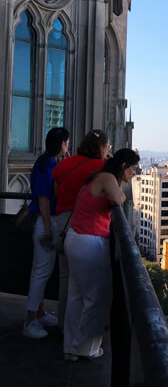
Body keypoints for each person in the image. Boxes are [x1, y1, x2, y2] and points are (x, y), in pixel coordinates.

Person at [63, 148, 140, 361]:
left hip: (76, 239)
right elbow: (119, 199)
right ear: (123, 166)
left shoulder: (99, 176)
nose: (135, 173)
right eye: (132, 168)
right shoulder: (106, 178)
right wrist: (119, 182)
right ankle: (86, 348)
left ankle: (71, 346)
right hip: (89, 242)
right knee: (97, 299)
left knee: (77, 297)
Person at [52, 130, 111, 331]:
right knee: (89, 285)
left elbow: (56, 191)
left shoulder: (64, 164)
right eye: (107, 146)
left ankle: (63, 326)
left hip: (61, 223)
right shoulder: (103, 168)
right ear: (102, 148)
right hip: (85, 227)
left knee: (66, 279)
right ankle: (83, 332)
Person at [23, 127, 70, 339]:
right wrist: (49, 226)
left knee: (40, 271)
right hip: (46, 222)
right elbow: (43, 197)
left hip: (44, 222)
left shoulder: (46, 162)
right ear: (61, 144)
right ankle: (30, 320)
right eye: (66, 142)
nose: (67, 146)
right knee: (41, 272)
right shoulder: (47, 165)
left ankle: (39, 314)